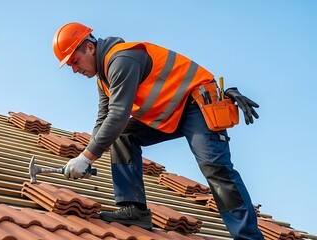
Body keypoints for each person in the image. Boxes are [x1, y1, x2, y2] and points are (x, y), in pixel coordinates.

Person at [52, 22, 264, 239]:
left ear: (90, 47)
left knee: (216, 170)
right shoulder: (103, 79)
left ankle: (249, 237)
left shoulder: (122, 60)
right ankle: (134, 210)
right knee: (124, 134)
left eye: (75, 61)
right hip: (171, 113)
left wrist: (87, 158)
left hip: (196, 105)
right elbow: (103, 120)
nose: (75, 70)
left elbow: (118, 115)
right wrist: (84, 157)